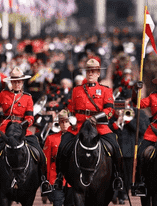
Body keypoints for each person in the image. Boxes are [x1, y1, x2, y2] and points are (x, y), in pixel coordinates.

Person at [0, 66, 53, 197]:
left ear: (22, 82)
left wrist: (24, 125)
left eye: (19, 81)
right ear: (11, 82)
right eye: (14, 81)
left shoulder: (27, 97)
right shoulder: (3, 94)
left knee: (39, 152)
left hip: (22, 129)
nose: (17, 83)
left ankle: (44, 181)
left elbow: (30, 117)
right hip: (5, 128)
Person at [55, 58, 124, 191]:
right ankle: (59, 176)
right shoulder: (77, 90)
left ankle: (117, 177)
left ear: (98, 73)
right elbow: (71, 108)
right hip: (79, 126)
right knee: (62, 145)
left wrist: (96, 118)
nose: (91, 74)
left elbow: (110, 110)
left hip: (99, 127)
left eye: (94, 71)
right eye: (88, 71)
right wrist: (65, 113)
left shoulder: (105, 90)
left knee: (115, 147)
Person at [109, 88, 149, 204]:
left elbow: (142, 130)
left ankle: (123, 194)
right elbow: (108, 129)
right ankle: (114, 193)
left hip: (128, 150)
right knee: (115, 173)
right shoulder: (113, 115)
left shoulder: (136, 112)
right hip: (115, 149)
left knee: (126, 175)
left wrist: (128, 121)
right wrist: (117, 122)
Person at [43, 109, 74, 206]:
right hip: (55, 177)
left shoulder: (76, 138)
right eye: (62, 122)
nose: (64, 124)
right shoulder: (51, 138)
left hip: (72, 179)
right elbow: (46, 161)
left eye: (66, 122)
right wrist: (46, 180)